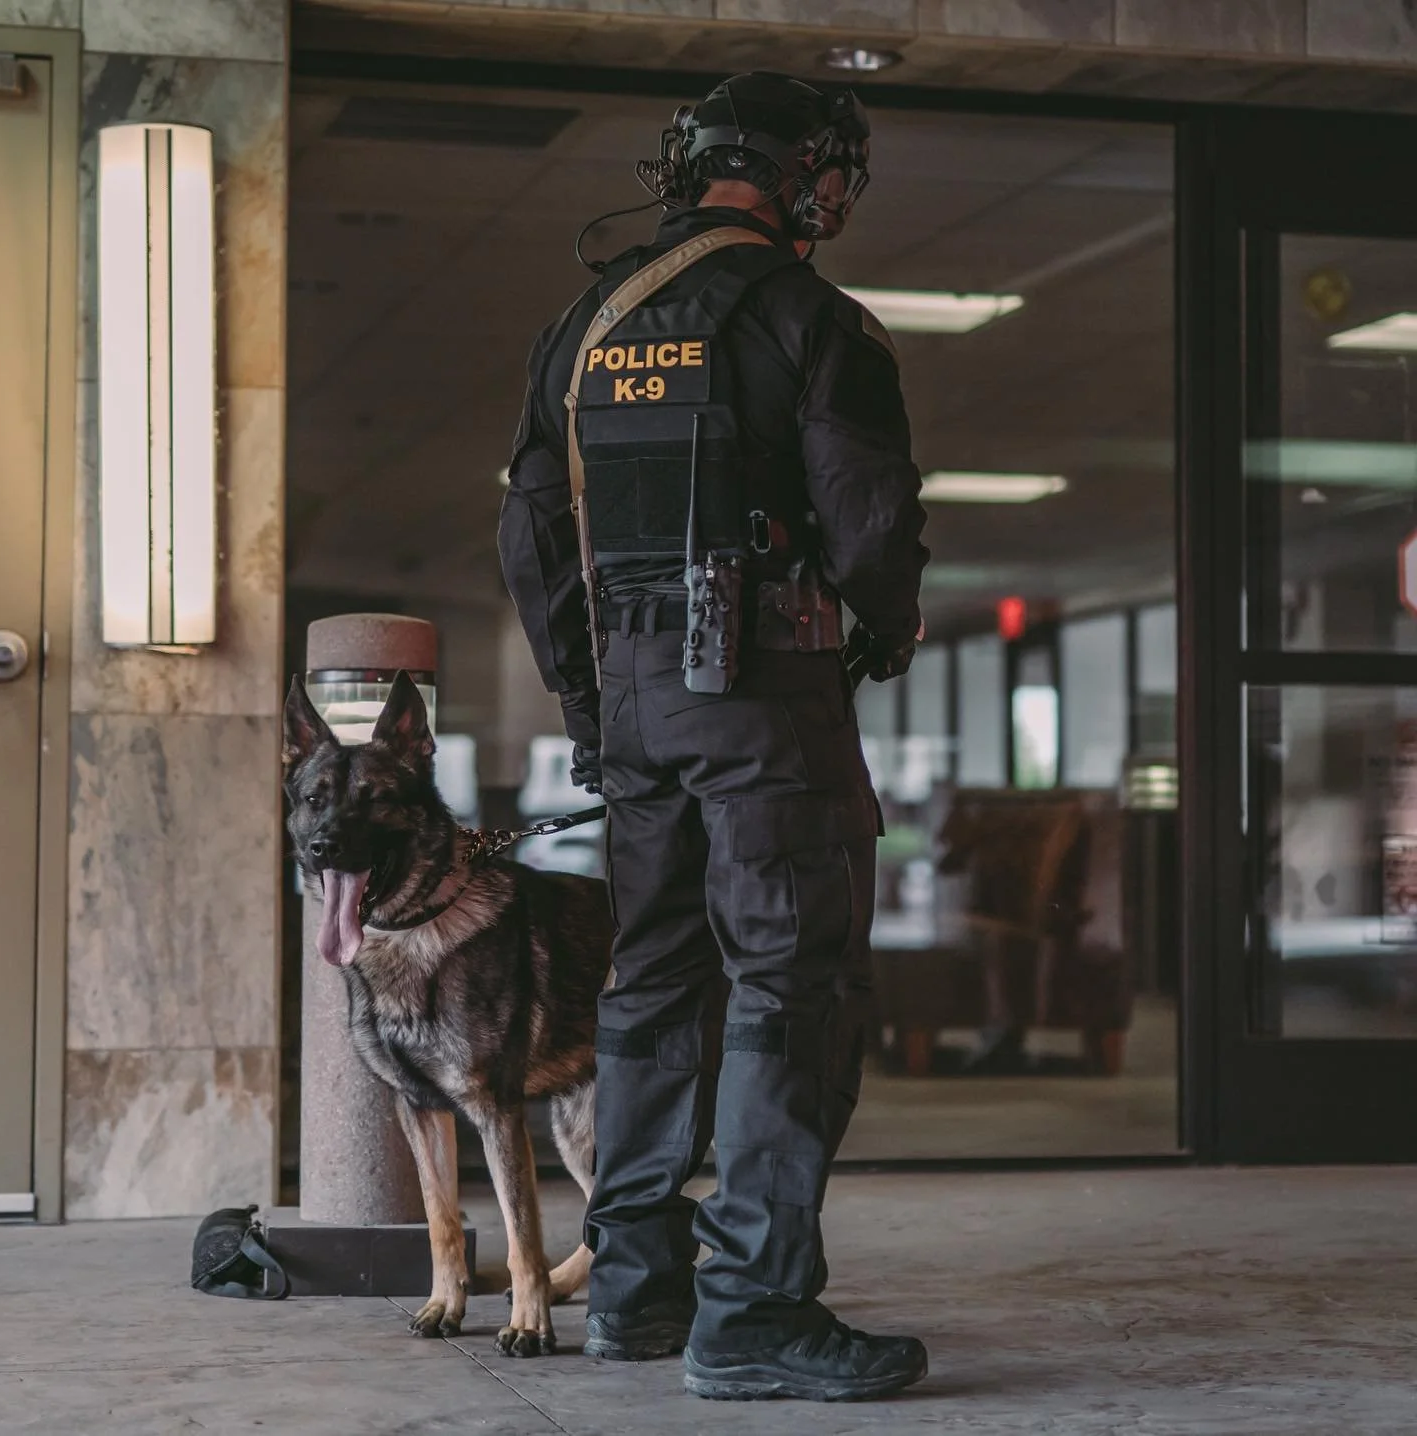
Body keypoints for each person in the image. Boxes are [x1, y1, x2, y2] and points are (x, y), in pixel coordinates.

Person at [498, 71, 930, 1402]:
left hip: (634, 705)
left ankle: (634, 1290)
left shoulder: (582, 324)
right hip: (766, 697)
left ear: (690, 166)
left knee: (651, 982)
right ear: (811, 178)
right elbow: (867, 528)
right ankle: (752, 1309)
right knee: (790, 983)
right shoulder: (814, 320)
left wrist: (591, 704)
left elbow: (531, 540)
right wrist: (879, 625)